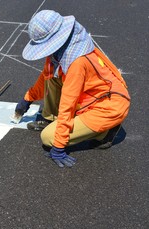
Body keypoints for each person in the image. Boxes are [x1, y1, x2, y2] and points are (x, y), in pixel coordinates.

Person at [15, 10, 130, 168]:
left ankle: (104, 132)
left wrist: (59, 145)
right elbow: (46, 78)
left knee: (47, 137)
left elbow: (67, 104)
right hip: (95, 96)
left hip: (108, 106)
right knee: (53, 77)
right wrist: (27, 99)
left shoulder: (76, 62)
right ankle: (51, 119)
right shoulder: (65, 48)